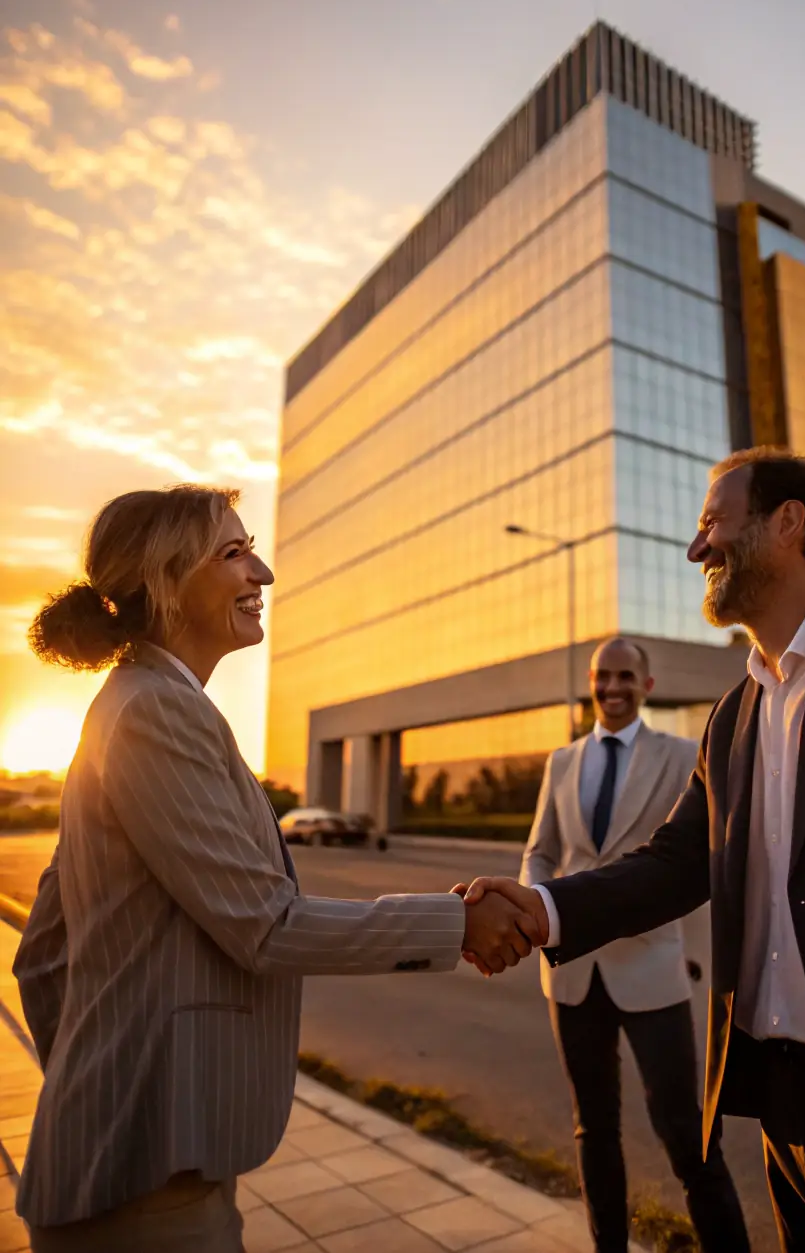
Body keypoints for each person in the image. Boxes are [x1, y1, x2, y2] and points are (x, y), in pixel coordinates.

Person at [462, 448, 805, 1252]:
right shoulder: (732, 718)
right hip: (780, 1114)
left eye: (711, 523)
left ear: (787, 523)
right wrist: (543, 909)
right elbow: (674, 863)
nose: (697, 550)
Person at [13, 485, 538, 1253]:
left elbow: (43, 952)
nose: (261, 571)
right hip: (140, 1176)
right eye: (232, 552)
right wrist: (457, 921)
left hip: (135, 1157)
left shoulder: (134, 702)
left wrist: (98, 1073)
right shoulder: (157, 710)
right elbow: (267, 924)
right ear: (164, 580)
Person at [521, 635, 749, 1253]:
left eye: (626, 677)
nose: (613, 688)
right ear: (591, 684)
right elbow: (541, 852)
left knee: (687, 1136)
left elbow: (699, 860)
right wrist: (534, 915)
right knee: (592, 1130)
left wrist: (699, 956)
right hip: (570, 974)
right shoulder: (561, 762)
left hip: (653, 967)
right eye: (603, 678)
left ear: (647, 686)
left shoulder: (681, 755)